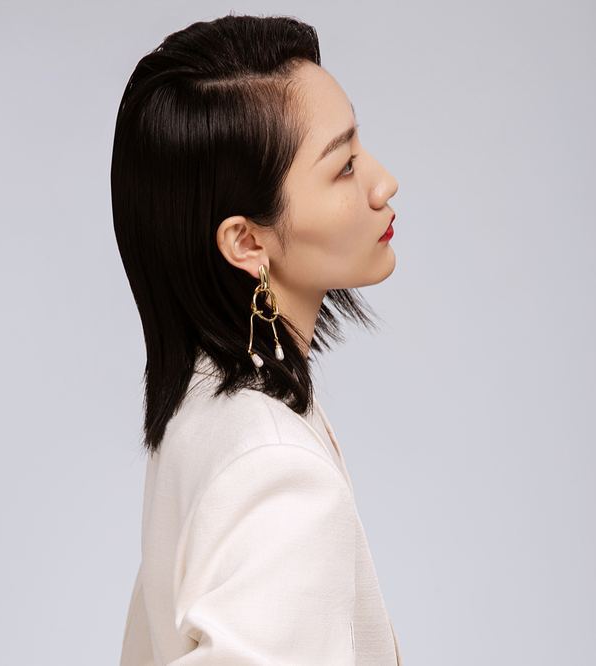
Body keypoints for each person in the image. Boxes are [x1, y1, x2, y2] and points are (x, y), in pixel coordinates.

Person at [111, 12, 401, 665]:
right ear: (246, 241)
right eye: (344, 166)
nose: (383, 182)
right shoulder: (276, 471)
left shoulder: (203, 408)